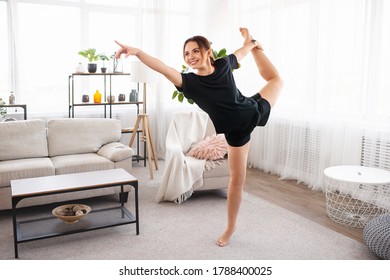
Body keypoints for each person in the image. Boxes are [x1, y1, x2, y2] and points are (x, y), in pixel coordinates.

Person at [115, 27, 283, 247]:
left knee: (276, 79)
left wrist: (250, 45)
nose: (190, 57)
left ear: (207, 52)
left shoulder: (223, 65)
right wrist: (137, 52)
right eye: (186, 54)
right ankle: (230, 227)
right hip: (237, 133)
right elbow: (163, 68)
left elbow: (239, 54)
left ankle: (253, 40)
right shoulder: (189, 83)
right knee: (236, 181)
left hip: (254, 109)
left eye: (195, 51)